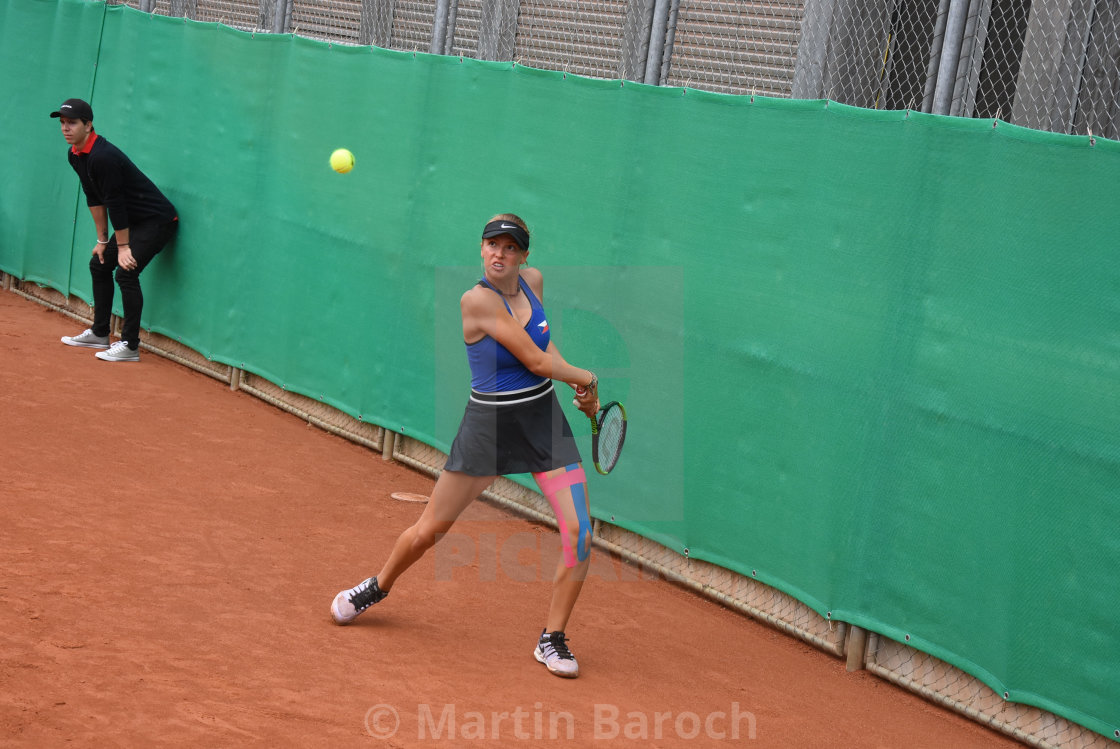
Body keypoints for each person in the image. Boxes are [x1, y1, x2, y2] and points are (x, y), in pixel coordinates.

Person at [330, 214, 601, 679]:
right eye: (492, 245)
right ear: (480, 249)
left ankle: (551, 638)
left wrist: (580, 391)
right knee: (430, 530)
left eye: (510, 248)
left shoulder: (533, 283)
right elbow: (534, 360)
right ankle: (377, 585)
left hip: (542, 421)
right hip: (488, 427)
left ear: (524, 256)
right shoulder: (475, 300)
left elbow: (546, 345)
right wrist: (588, 379)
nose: (500, 254)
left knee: (580, 534)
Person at [51, 98, 179, 362]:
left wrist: (122, 247)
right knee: (98, 264)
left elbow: (116, 204)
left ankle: (130, 345)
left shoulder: (102, 157)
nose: (66, 128)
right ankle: (100, 333)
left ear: (88, 125)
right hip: (133, 222)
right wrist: (102, 239)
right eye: (62, 123)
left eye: (72, 123)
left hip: (157, 220)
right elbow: (93, 197)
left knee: (126, 272)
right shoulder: (76, 155)